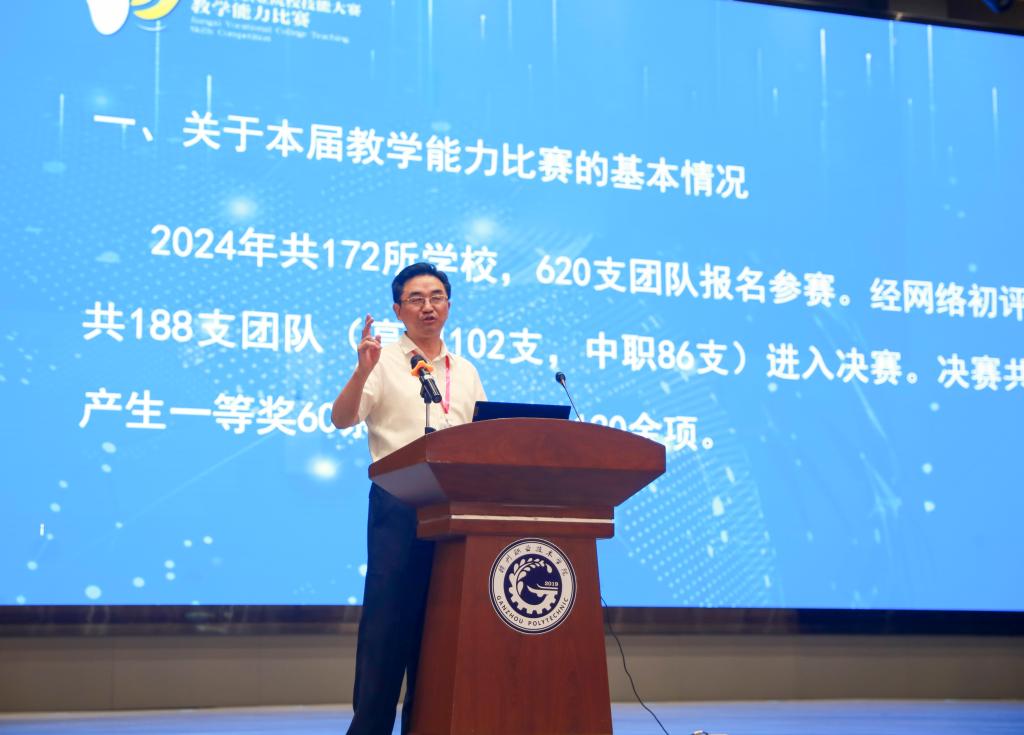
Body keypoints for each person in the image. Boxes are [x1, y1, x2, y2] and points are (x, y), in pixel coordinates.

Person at [331, 262, 487, 735]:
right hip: (398, 505)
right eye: (416, 299)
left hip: (454, 510)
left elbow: (483, 439)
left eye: (436, 297)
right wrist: (362, 371)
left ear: (449, 306)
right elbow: (342, 418)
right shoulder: (382, 363)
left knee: (440, 630)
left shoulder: (465, 370)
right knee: (387, 629)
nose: (428, 307)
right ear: (398, 310)